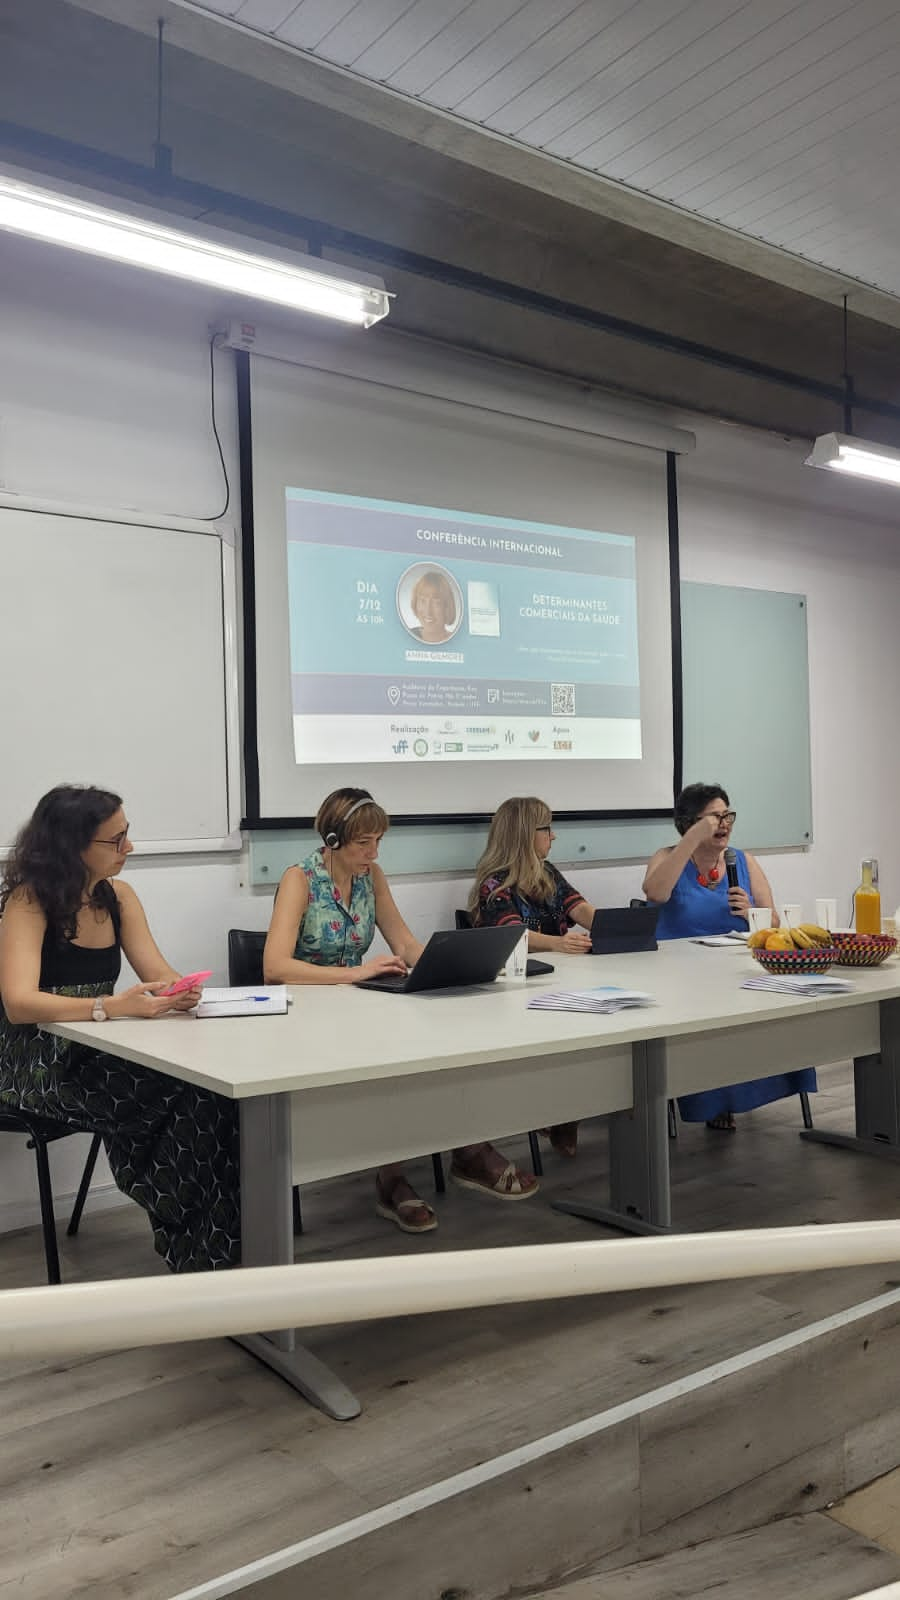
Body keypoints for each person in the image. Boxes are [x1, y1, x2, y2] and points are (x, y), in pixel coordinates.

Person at [264, 788, 538, 1231]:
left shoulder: (371, 876)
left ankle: (465, 1147)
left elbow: (405, 944)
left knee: (435, 1042)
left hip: (355, 1008)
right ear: (333, 841)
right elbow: (275, 967)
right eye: (363, 844)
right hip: (306, 1015)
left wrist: (450, 960)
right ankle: (393, 1180)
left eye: (378, 842)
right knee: (390, 1061)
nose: (373, 853)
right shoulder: (300, 878)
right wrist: (354, 973)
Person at [0, 786, 240, 1272]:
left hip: (98, 1049)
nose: (128, 848)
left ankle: (212, 1242)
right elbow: (19, 1004)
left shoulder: (119, 897)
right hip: (37, 1066)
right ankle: (199, 1245)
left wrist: (178, 991)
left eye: (127, 835)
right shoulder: (29, 901)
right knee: (187, 1097)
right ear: (74, 845)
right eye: (116, 840)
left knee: (207, 1092)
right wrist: (110, 1006)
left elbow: (157, 969)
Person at [643, 781, 815, 1129]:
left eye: (728, 816)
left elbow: (774, 923)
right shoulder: (667, 857)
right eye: (714, 818)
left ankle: (743, 1095)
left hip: (736, 967)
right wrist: (692, 838)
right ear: (690, 822)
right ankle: (712, 1102)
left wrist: (752, 910)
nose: (724, 824)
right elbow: (655, 893)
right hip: (680, 976)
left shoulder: (743, 860)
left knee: (772, 1009)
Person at [469, 796, 599, 1156]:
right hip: (513, 993)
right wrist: (558, 943)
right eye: (547, 829)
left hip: (561, 981)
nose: (553, 837)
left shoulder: (549, 873)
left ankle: (570, 1110)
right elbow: (513, 936)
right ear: (527, 834)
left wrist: (613, 927)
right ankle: (559, 1111)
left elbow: (580, 908)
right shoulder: (494, 885)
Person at [406, 569, 459, 645]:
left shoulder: (457, 641)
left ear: (447, 607)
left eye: (436, 603)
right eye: (423, 601)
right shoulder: (407, 636)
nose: (428, 611)